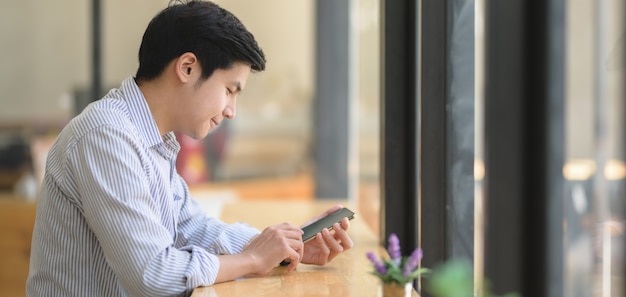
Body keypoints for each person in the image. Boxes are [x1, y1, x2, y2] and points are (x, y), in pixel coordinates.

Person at [26, 1, 353, 296]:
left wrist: (287, 248)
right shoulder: (106, 135)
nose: (231, 110)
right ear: (187, 68)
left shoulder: (153, 140)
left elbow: (193, 228)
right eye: (229, 90)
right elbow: (152, 273)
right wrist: (251, 259)